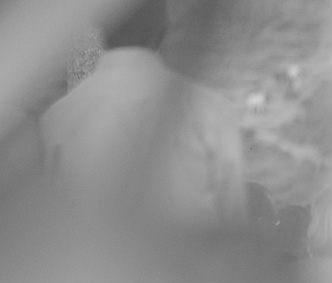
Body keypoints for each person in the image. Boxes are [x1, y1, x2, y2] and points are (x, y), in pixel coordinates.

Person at [39, 0, 246, 231]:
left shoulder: (56, 119)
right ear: (164, 29)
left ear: (101, 27)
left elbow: (51, 224)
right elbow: (233, 228)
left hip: (92, 263)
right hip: (187, 264)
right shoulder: (211, 109)